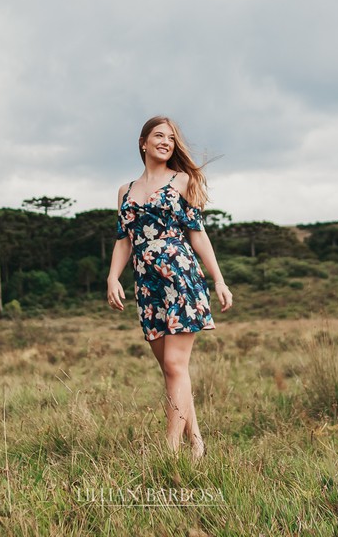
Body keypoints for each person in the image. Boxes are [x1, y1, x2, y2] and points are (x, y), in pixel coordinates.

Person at [106, 116, 233, 459]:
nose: (166, 142)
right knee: (170, 370)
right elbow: (124, 240)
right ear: (143, 142)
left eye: (172, 138)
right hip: (147, 286)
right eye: (159, 136)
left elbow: (197, 234)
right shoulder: (125, 191)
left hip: (181, 279)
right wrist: (112, 276)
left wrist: (218, 279)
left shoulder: (183, 181)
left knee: (176, 367)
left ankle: (171, 453)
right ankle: (197, 443)